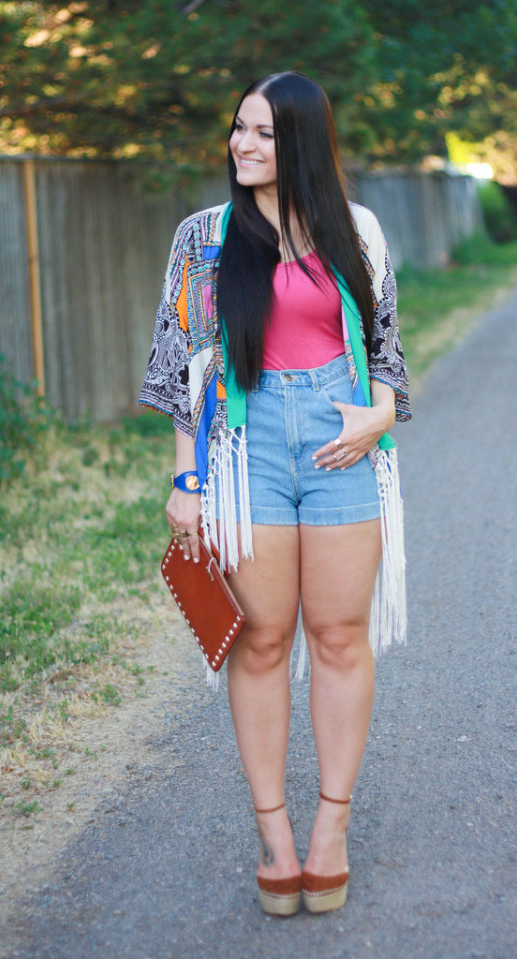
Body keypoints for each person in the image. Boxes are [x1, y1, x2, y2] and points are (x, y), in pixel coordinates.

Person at [139, 71, 411, 916]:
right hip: (243, 446)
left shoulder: (355, 231)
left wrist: (378, 419)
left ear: (298, 141)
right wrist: (186, 480)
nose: (242, 145)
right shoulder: (205, 238)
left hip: (340, 447)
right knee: (260, 639)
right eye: (237, 130)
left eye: (261, 132)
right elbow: (179, 363)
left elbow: (392, 361)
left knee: (337, 636)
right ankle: (275, 834)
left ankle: (330, 828)